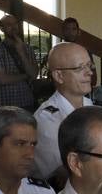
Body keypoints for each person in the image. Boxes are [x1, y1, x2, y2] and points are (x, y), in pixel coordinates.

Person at [34, 42, 96, 180]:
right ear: (59, 76)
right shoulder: (46, 119)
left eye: (89, 65)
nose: (89, 72)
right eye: (80, 68)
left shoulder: (91, 107)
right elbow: (63, 172)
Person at [0, 13, 38, 109]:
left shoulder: (27, 48)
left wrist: (21, 52)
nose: (14, 27)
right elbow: (2, 79)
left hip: (27, 101)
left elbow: (34, 74)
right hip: (6, 103)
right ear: (2, 29)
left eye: (15, 24)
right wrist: (26, 76)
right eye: (9, 25)